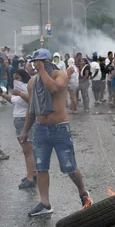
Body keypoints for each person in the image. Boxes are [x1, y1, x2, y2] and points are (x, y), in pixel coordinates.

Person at [20, 49, 93, 216]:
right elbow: (31, 109)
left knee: (69, 167)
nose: (38, 65)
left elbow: (53, 88)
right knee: (41, 167)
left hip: (60, 128)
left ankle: (83, 193)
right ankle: (45, 204)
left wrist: (42, 71)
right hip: (40, 129)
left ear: (49, 61)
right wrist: (25, 131)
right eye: (36, 62)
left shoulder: (60, 75)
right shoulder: (33, 83)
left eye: (42, 61)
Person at [1, 69, 37, 189]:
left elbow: (30, 100)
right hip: (19, 122)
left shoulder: (27, 88)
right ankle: (33, 173)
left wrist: (19, 92)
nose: (16, 80)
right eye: (14, 78)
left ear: (23, 77)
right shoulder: (19, 90)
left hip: (25, 121)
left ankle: (30, 179)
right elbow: (13, 100)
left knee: (28, 152)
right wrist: (3, 94)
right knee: (27, 151)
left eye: (18, 77)